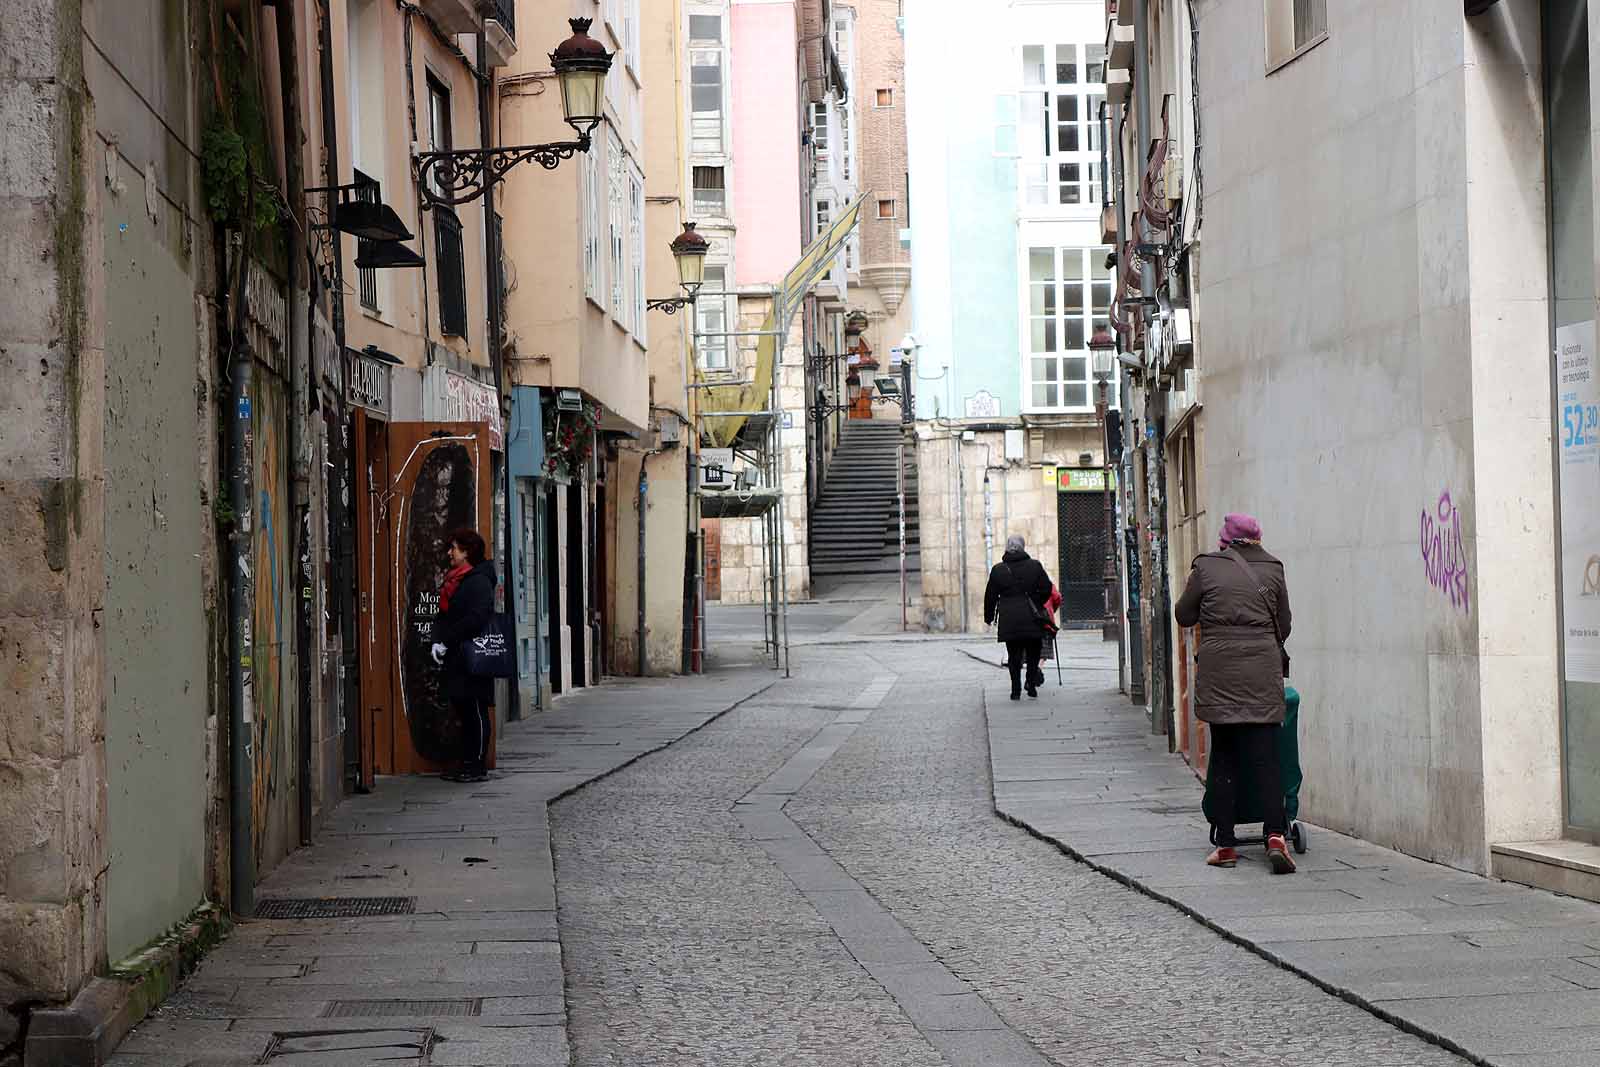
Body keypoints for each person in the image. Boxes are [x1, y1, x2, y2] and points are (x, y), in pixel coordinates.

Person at [1174, 513, 1295, 874]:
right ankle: (1275, 836)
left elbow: (1183, 614)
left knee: (1224, 757)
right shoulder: (1274, 568)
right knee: (1267, 759)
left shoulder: (1206, 568)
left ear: (1225, 539)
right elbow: (1284, 625)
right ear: (1257, 538)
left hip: (1220, 675)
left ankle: (1226, 844)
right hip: (1261, 673)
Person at [430, 527, 497, 784]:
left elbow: (476, 618)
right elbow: (445, 615)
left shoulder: (478, 581)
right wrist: (438, 641)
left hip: (473, 656)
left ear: (466, 552)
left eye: (454, 548)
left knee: (475, 710)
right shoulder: (456, 579)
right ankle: (466, 762)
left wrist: (447, 640)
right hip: (457, 657)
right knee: (463, 709)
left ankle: (476, 764)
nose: (449, 553)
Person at [983, 534, 1055, 700]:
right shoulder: (1035, 566)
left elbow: (990, 596)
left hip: (1009, 618)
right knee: (1033, 652)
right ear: (1023, 547)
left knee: (1013, 655)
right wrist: (1037, 602)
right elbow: (1047, 588)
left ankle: (1015, 690)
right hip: (1031, 616)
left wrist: (989, 617)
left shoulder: (998, 570)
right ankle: (1030, 684)